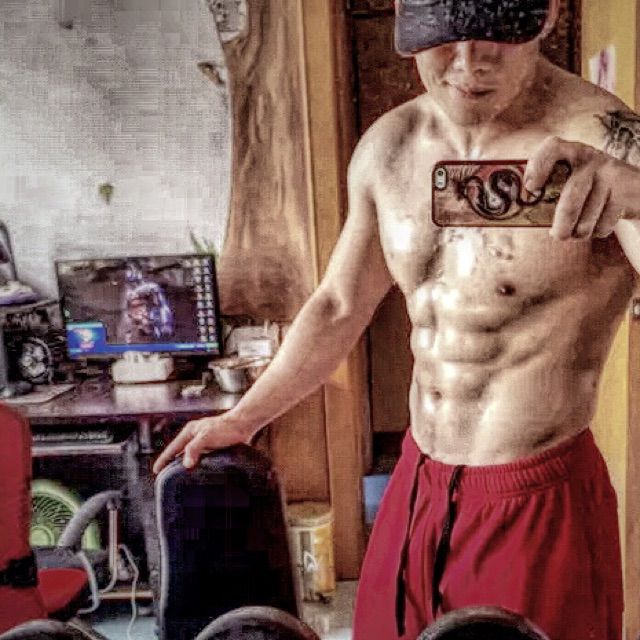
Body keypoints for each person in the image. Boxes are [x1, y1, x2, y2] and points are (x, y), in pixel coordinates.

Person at [154, 1, 640, 637]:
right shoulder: (389, 147)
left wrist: (639, 194)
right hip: (417, 485)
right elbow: (338, 303)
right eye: (443, 39)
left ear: (546, 15)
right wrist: (244, 418)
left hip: (536, 497)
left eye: (493, 36)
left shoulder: (609, 141)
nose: (468, 64)